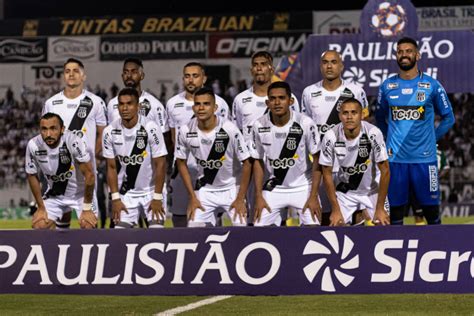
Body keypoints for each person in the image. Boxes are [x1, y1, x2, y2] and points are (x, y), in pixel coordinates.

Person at [375, 36, 455, 225]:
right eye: (400, 51)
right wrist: (390, 139)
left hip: (425, 161)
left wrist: (431, 138)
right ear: (396, 55)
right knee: (395, 215)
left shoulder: (432, 85)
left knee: (431, 214)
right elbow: (380, 118)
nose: (404, 54)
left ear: (417, 55)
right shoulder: (387, 86)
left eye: (408, 51)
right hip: (395, 161)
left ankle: (438, 251)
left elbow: (448, 118)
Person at [232, 50, 302, 225]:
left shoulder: (289, 97)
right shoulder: (241, 100)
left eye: (263, 64)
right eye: (255, 65)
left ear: (271, 68)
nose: (259, 68)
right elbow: (237, 134)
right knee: (254, 217)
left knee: (282, 218)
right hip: (250, 166)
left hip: (282, 166)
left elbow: (297, 131)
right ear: (251, 70)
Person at [301, 50, 369, 225]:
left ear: (341, 65)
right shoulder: (309, 92)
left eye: (333, 62)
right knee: (322, 213)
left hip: (349, 162)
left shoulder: (355, 91)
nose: (329, 66)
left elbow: (364, 124)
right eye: (325, 62)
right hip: (320, 164)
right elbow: (306, 127)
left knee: (356, 215)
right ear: (320, 66)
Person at [43, 58, 107, 229]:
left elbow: (103, 133)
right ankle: (59, 255)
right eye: (67, 71)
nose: (71, 74)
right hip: (59, 178)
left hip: (85, 179)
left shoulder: (95, 102)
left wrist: (93, 154)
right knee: (47, 225)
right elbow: (44, 134)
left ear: (83, 76)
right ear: (64, 75)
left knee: (88, 226)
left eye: (75, 71)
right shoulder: (51, 103)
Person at [106, 57, 170, 228]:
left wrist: (159, 191)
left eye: (134, 72)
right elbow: (112, 145)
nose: (129, 75)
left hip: (149, 182)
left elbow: (163, 146)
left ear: (142, 75)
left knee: (155, 232)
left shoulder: (155, 106)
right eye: (126, 72)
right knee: (120, 236)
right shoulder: (112, 105)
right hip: (124, 185)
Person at [166, 62, 230, 227]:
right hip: (182, 169)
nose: (190, 80)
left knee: (212, 217)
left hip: (211, 170)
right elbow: (173, 139)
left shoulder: (221, 104)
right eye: (187, 76)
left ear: (204, 78)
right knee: (179, 216)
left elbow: (225, 137)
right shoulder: (173, 103)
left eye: (195, 76)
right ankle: (182, 250)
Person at [175, 87, 251, 227]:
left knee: (241, 230)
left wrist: (240, 198)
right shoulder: (185, 130)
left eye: (206, 104)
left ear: (215, 107)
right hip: (204, 189)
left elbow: (247, 163)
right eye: (198, 104)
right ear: (193, 108)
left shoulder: (229, 129)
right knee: (193, 228)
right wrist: (192, 197)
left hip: (232, 188)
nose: (201, 108)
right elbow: (180, 162)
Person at [251, 81, 321, 226]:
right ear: (267, 102)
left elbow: (317, 159)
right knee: (258, 230)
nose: (277, 102)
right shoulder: (258, 125)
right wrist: (258, 196)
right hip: (274, 188)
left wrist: (313, 195)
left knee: (314, 230)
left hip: (303, 187)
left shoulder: (306, 123)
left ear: (291, 101)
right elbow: (257, 161)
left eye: (281, 98)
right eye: (272, 98)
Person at [319, 98, 390, 226]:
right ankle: (358, 216)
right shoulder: (331, 136)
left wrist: (379, 208)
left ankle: (365, 213)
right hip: (346, 192)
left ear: (362, 115)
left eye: (354, 112)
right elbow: (327, 173)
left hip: (372, 191)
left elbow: (385, 170)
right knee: (336, 227)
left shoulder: (373, 133)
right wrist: (335, 209)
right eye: (345, 113)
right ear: (340, 116)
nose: (349, 117)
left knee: (383, 224)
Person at [25, 112, 97, 229]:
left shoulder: (73, 141)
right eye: (44, 129)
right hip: (55, 195)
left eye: (53, 128)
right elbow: (31, 175)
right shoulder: (33, 145)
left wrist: (87, 208)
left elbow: (90, 175)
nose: (48, 134)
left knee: (88, 225)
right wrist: (41, 207)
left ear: (62, 129)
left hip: (80, 195)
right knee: (39, 225)